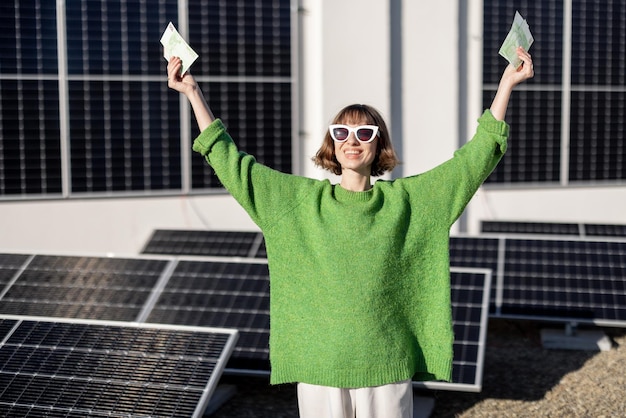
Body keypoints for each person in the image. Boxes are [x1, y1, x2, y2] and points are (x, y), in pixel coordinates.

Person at [166, 47, 534, 418]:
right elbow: (229, 161)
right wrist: (193, 94)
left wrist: (506, 84)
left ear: (379, 144)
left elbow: (476, 159)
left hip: (387, 363)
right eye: (341, 131)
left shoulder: (410, 202)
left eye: (364, 131)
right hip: (318, 365)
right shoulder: (297, 203)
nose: (351, 139)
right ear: (331, 142)